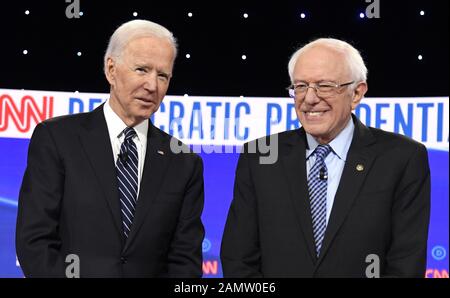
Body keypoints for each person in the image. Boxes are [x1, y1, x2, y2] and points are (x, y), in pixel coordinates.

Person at [221, 38, 430, 277]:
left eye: (325, 85)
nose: (309, 98)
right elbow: (239, 259)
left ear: (356, 93)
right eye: (300, 86)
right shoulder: (260, 156)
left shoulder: (402, 158)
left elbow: (406, 264)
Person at [16, 19, 205, 277]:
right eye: (142, 69)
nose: (152, 86)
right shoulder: (57, 139)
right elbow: (35, 241)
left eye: (163, 75)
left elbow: (185, 261)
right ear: (111, 69)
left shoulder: (184, 161)